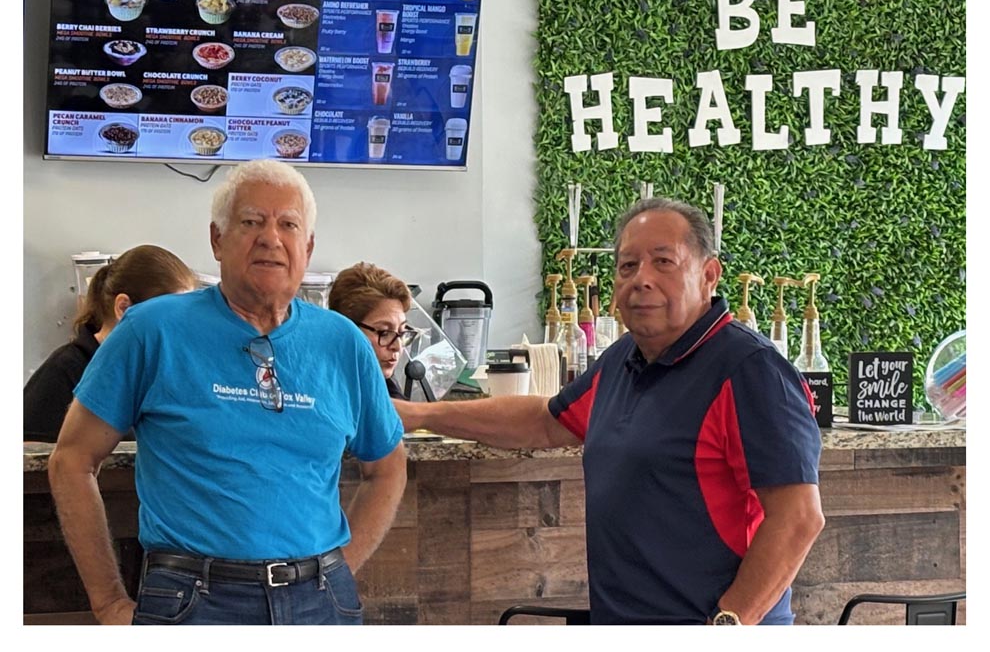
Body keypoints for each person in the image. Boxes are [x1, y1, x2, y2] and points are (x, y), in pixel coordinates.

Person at [395, 196, 825, 625]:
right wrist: (421, 416)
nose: (642, 279)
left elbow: (798, 519)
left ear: (709, 274)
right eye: (627, 266)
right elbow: (545, 422)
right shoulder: (623, 358)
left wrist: (728, 625)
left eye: (663, 262)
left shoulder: (751, 370)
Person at [48, 159, 407, 626]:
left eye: (288, 225)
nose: (270, 238)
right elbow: (72, 460)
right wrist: (108, 602)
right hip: (192, 600)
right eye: (251, 221)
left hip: (320, 604)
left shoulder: (343, 343)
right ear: (217, 239)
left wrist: (337, 571)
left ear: (308, 246)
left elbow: (388, 467)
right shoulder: (151, 330)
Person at [24, 244, 196, 443]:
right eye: (169, 317)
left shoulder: (163, 373)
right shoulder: (65, 370)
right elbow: (31, 455)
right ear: (124, 308)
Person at [327, 261, 418, 400]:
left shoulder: (385, 385)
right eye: (384, 333)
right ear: (346, 330)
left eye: (402, 331)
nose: (397, 347)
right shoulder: (324, 391)